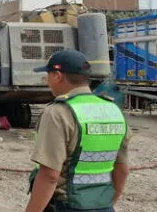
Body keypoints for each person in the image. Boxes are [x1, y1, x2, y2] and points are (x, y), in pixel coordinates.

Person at [26, 50, 131, 212]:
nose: (47, 80)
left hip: (66, 206)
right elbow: (122, 169)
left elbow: (49, 175)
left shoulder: (58, 112)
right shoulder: (113, 110)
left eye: (48, 75)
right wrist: (107, 204)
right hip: (103, 206)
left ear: (57, 75)